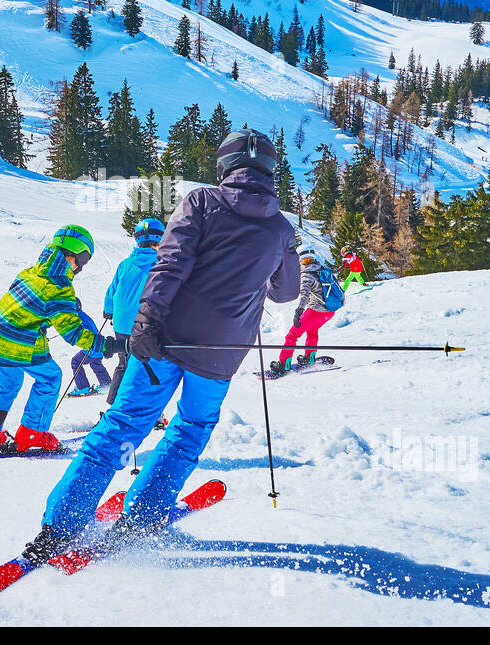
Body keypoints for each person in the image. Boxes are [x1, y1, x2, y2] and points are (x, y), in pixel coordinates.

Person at [21, 130, 298, 561]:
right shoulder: (280, 227)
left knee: (121, 427)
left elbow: (169, 265)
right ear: (270, 171)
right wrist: (282, 250)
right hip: (221, 355)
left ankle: (62, 526)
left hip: (165, 342)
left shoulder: (202, 203)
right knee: (189, 432)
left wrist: (146, 322)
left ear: (224, 167)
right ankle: (146, 515)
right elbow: (285, 293)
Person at [0, 225, 110, 452]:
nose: (81, 268)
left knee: (8, 384)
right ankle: (33, 434)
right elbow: (72, 332)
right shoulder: (59, 286)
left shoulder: (30, 272)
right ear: (74, 255)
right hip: (20, 341)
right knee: (50, 378)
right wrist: (104, 345)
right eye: (83, 261)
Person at [101, 218, 164, 404]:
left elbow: (112, 291)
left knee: (124, 364)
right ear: (160, 240)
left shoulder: (125, 264)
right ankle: (146, 411)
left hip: (121, 324)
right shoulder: (160, 265)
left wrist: (108, 311)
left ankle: (113, 405)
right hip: (144, 325)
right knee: (148, 366)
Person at [271, 244, 343, 375]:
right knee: (312, 331)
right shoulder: (322, 269)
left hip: (316, 311)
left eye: (304, 260)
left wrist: (298, 311)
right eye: (305, 260)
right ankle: (309, 358)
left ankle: (283, 364)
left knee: (292, 335)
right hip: (330, 311)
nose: (305, 262)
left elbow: (304, 294)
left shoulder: (306, 275)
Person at [68, 300, 111, 397]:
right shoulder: (83, 315)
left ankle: (83, 387)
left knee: (75, 362)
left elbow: (84, 332)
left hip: (91, 348)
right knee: (96, 364)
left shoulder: (78, 318)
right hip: (99, 348)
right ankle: (107, 385)